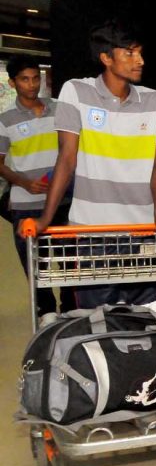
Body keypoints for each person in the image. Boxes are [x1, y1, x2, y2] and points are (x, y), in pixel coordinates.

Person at [28, 20, 156, 309]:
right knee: (97, 317)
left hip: (143, 229)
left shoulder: (154, 100)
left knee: (146, 315)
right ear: (106, 58)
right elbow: (66, 159)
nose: (140, 61)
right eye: (130, 53)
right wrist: (46, 218)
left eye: (140, 53)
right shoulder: (76, 92)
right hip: (91, 229)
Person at [0, 56, 74, 317]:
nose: (32, 85)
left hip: (64, 201)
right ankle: (46, 315)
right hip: (26, 205)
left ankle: (70, 314)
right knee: (35, 267)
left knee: (70, 264)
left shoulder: (60, 110)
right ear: (12, 83)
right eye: (24, 79)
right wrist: (22, 182)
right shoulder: (5, 119)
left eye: (35, 78)